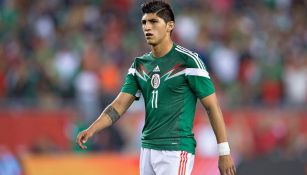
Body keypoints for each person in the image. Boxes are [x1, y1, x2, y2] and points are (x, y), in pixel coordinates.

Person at [76, 1, 236, 175]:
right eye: (144, 22)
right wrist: (93, 128)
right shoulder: (140, 65)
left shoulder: (189, 62)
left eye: (154, 22)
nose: (147, 27)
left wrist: (224, 152)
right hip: (147, 149)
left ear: (169, 26)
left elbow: (212, 107)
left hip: (175, 149)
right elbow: (119, 105)